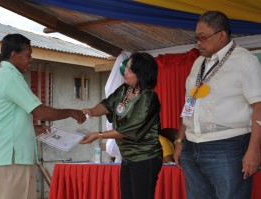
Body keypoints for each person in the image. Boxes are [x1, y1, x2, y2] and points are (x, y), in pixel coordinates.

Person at [0, 33, 86, 199]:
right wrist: (71, 112)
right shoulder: (9, 76)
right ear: (13, 55)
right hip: (11, 159)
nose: (31, 59)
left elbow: (8, 118)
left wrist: (30, 129)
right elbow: (39, 111)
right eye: (28, 55)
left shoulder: (8, 75)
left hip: (14, 159)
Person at [174, 11, 261, 199]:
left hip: (228, 146)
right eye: (196, 37)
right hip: (192, 144)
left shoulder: (244, 61)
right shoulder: (198, 63)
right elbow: (190, 102)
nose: (198, 42)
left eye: (203, 37)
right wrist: (180, 141)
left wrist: (254, 150)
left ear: (222, 35)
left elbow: (259, 108)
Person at [79, 52, 162, 199]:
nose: (125, 71)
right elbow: (107, 105)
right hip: (127, 157)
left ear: (141, 74)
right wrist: (91, 111)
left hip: (145, 158)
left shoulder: (148, 98)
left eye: (130, 70)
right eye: (126, 68)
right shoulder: (125, 89)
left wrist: (97, 135)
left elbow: (128, 130)